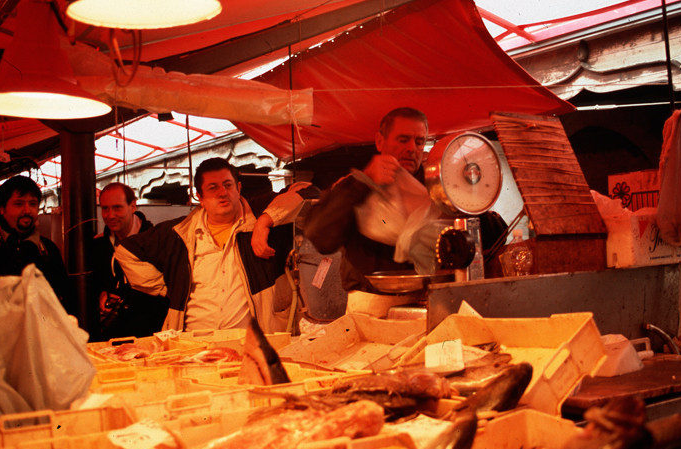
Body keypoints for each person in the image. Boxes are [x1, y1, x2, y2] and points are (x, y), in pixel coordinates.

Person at [304, 107, 506, 314]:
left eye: (419, 142)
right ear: (380, 141)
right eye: (403, 139)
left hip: (433, 303)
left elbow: (494, 239)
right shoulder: (353, 185)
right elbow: (320, 238)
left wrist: (470, 199)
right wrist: (363, 182)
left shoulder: (439, 187)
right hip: (371, 306)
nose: (412, 148)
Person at [114, 157, 315, 334]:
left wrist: (264, 223)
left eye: (228, 185)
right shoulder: (178, 232)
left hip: (251, 345)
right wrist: (170, 288)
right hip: (191, 344)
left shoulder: (262, 215)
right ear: (199, 197)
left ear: (239, 188)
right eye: (213, 188)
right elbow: (126, 252)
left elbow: (310, 192)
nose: (223, 193)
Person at [0, 175, 73, 312]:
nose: (27, 210)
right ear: (2, 209)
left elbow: (65, 301)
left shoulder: (48, 250)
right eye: (18, 204)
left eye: (32, 204)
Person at [88, 182, 169, 341]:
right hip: (112, 337)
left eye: (117, 207)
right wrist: (102, 294)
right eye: (105, 208)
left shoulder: (155, 242)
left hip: (149, 335)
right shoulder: (98, 246)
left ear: (133, 206)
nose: (110, 215)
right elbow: (95, 283)